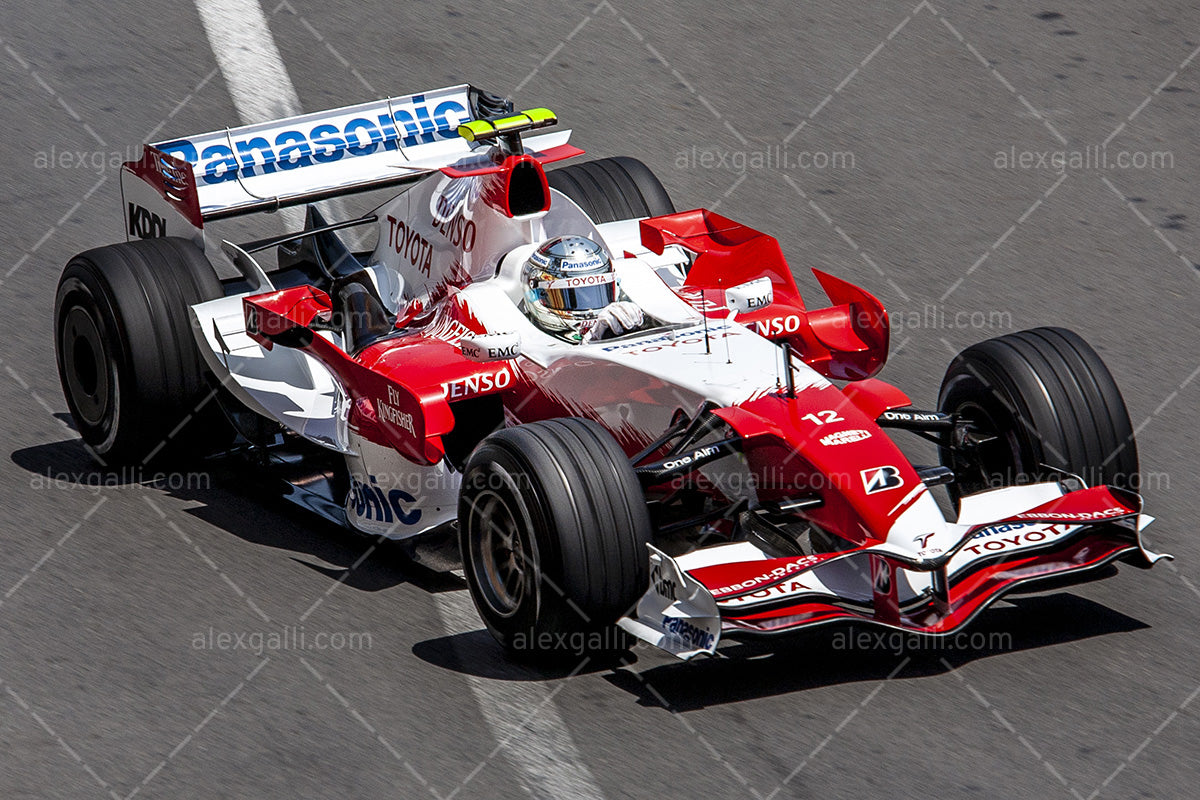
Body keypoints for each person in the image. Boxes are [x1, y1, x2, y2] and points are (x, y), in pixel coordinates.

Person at [521, 235, 646, 342]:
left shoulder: (612, 318)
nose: (589, 310)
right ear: (536, 294)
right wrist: (591, 342)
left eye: (596, 292)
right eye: (570, 297)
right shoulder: (523, 339)